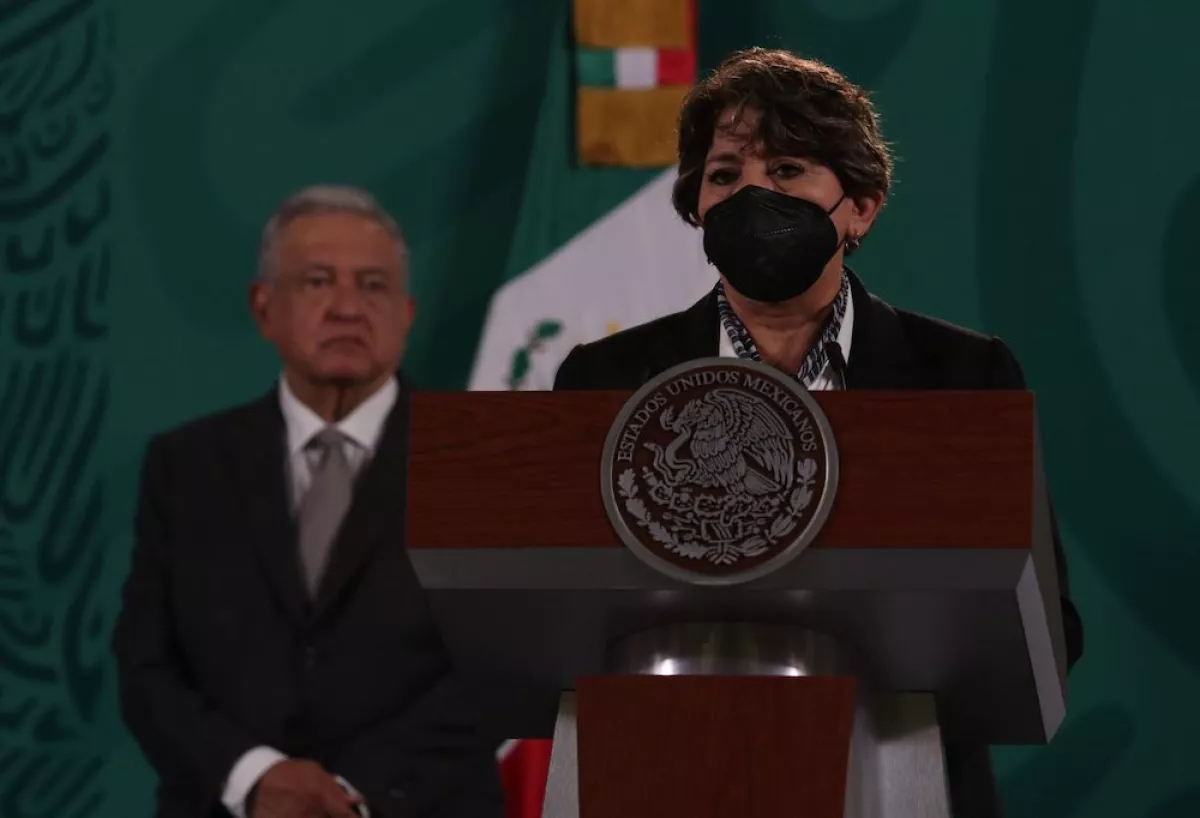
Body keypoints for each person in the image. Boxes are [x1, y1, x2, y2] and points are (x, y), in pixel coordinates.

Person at [553, 48, 1083, 816]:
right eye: (725, 174)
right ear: (696, 206)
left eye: (788, 170)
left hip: (903, 779)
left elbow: (1047, 624)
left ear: (860, 207)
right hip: (668, 771)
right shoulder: (607, 379)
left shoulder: (963, 374)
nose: (752, 196)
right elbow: (563, 607)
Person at [113, 186, 503, 818]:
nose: (348, 308)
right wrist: (255, 777)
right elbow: (147, 666)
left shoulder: (486, 462)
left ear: (406, 313)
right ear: (263, 306)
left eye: (373, 286)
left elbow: (499, 665)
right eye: (318, 282)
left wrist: (349, 793)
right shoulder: (185, 466)